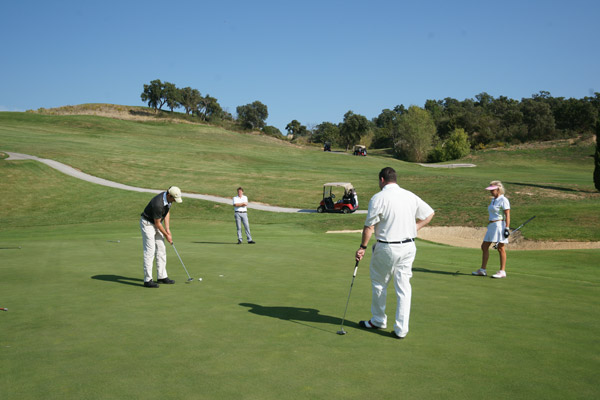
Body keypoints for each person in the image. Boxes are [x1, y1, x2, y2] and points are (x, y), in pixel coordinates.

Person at [355, 167, 435, 339]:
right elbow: (429, 213)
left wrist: (362, 247)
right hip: (408, 247)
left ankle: (378, 320)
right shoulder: (409, 195)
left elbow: (369, 226)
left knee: (379, 283)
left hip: (387, 247)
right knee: (404, 287)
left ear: (382, 180)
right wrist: (416, 228)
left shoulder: (379, 197)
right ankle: (401, 330)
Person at [139, 186, 183, 288]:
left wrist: (168, 229)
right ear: (169, 195)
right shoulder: (157, 204)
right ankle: (147, 280)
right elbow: (157, 223)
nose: (174, 201)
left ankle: (162, 276)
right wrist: (167, 235)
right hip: (147, 224)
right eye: (174, 199)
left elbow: (167, 213)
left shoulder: (168, 199)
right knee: (150, 251)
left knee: (161, 249)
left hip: (156, 222)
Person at [473, 181, 511, 279]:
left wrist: (507, 228)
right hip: (491, 226)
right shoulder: (493, 200)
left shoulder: (503, 199)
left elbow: (507, 214)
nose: (490, 192)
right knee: (484, 246)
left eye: (492, 190)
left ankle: (502, 271)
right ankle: (483, 270)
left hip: (499, 225)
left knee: (500, 248)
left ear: (498, 189)